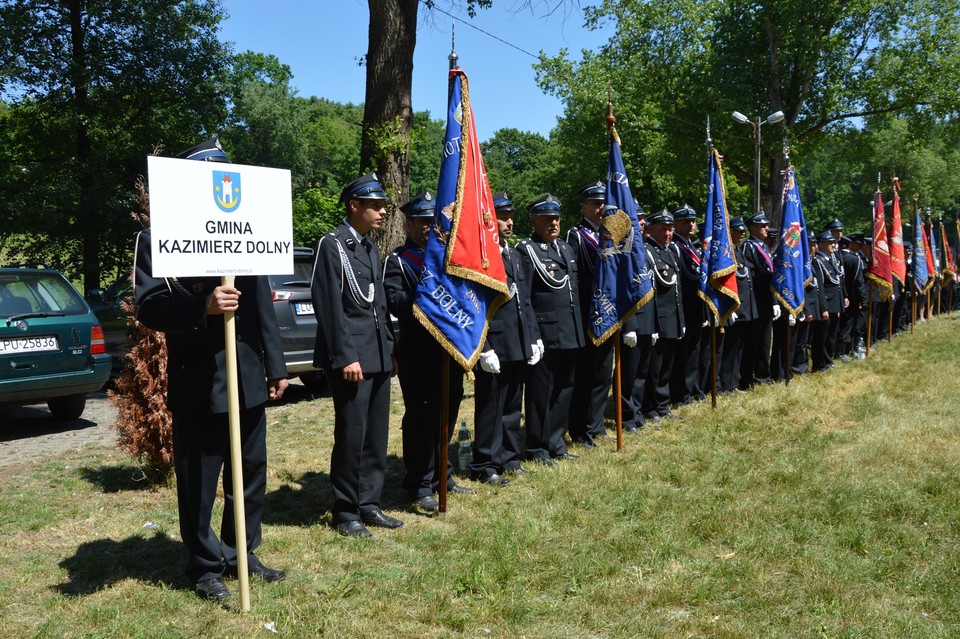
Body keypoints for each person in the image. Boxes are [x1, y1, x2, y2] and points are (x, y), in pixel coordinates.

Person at [134, 137, 289, 603]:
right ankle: (204, 565)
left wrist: (276, 367)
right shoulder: (157, 235)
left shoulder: (247, 231)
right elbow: (150, 306)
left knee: (250, 473)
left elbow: (261, 305)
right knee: (200, 480)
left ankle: (242, 552)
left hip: (247, 377)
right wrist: (201, 305)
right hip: (198, 380)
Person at [311, 172, 399, 537]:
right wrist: (346, 356)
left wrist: (390, 350)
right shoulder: (332, 245)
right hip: (351, 357)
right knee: (352, 433)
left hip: (377, 353)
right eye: (375, 206)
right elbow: (328, 305)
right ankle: (346, 510)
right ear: (354, 206)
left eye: (382, 205)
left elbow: (378, 304)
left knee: (376, 434)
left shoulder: (368, 247)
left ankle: (369, 503)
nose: (381, 212)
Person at [383, 190, 473, 514]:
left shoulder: (449, 260)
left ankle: (441, 474)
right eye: (421, 222)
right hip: (417, 353)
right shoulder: (398, 261)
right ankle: (419, 483)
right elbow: (392, 301)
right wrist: (426, 302)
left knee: (447, 415)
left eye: (431, 221)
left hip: (449, 351)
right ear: (408, 224)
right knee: (422, 419)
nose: (427, 227)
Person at [471, 192, 543, 479]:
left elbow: (525, 300)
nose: (509, 222)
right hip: (495, 343)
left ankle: (509, 457)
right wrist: (484, 347)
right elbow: (474, 306)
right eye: (502, 217)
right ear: (489, 219)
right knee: (491, 405)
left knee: (513, 403)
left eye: (511, 216)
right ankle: (485, 464)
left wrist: (534, 337)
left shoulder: (512, 254)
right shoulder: (481, 258)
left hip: (518, 341)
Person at [518, 194, 585, 464]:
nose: (553, 223)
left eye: (556, 218)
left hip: (570, 331)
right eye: (546, 219)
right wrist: (533, 335)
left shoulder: (566, 249)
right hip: (545, 333)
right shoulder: (527, 251)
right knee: (540, 393)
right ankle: (537, 447)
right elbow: (526, 296)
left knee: (564, 388)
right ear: (534, 222)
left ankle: (557, 442)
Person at [566, 181, 615, 447]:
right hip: (588, 312)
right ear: (583, 206)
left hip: (609, 313)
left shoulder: (612, 234)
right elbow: (578, 278)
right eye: (595, 203)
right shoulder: (576, 235)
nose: (600, 208)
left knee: (603, 373)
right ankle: (579, 427)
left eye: (603, 203)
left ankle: (596, 425)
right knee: (585, 374)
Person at [642, 209, 684, 421]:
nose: (668, 234)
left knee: (666, 365)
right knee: (654, 367)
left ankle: (663, 404)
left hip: (673, 318)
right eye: (663, 229)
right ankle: (650, 406)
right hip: (659, 319)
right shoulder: (647, 252)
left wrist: (681, 319)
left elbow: (677, 290)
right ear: (652, 230)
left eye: (670, 229)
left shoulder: (671, 251)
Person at [739, 212, 780, 389]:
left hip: (765, 299)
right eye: (762, 226)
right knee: (753, 341)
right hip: (756, 299)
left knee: (765, 340)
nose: (766, 229)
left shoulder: (762, 245)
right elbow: (754, 274)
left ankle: (763, 374)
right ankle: (747, 377)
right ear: (753, 228)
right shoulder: (749, 247)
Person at [669, 204, 705, 405]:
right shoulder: (675, 247)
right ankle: (680, 393)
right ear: (675, 224)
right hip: (683, 306)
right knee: (681, 353)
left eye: (692, 221)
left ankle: (692, 388)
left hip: (696, 306)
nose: (691, 225)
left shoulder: (693, 247)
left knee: (694, 350)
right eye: (685, 222)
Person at [718, 217, 754, 394]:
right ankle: (725, 385)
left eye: (743, 231)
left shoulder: (739, 251)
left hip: (744, 307)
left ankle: (732, 382)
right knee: (730, 348)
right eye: (738, 231)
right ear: (729, 231)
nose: (742, 234)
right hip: (733, 308)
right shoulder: (727, 253)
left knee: (738, 347)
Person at [810, 231, 845, 371]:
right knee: (821, 337)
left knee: (832, 335)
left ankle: (828, 360)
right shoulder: (818, 261)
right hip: (826, 303)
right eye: (829, 242)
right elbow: (820, 286)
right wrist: (823, 308)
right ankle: (819, 364)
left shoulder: (832, 259)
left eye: (833, 242)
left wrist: (842, 302)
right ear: (822, 244)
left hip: (835, 303)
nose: (833, 245)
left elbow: (838, 283)